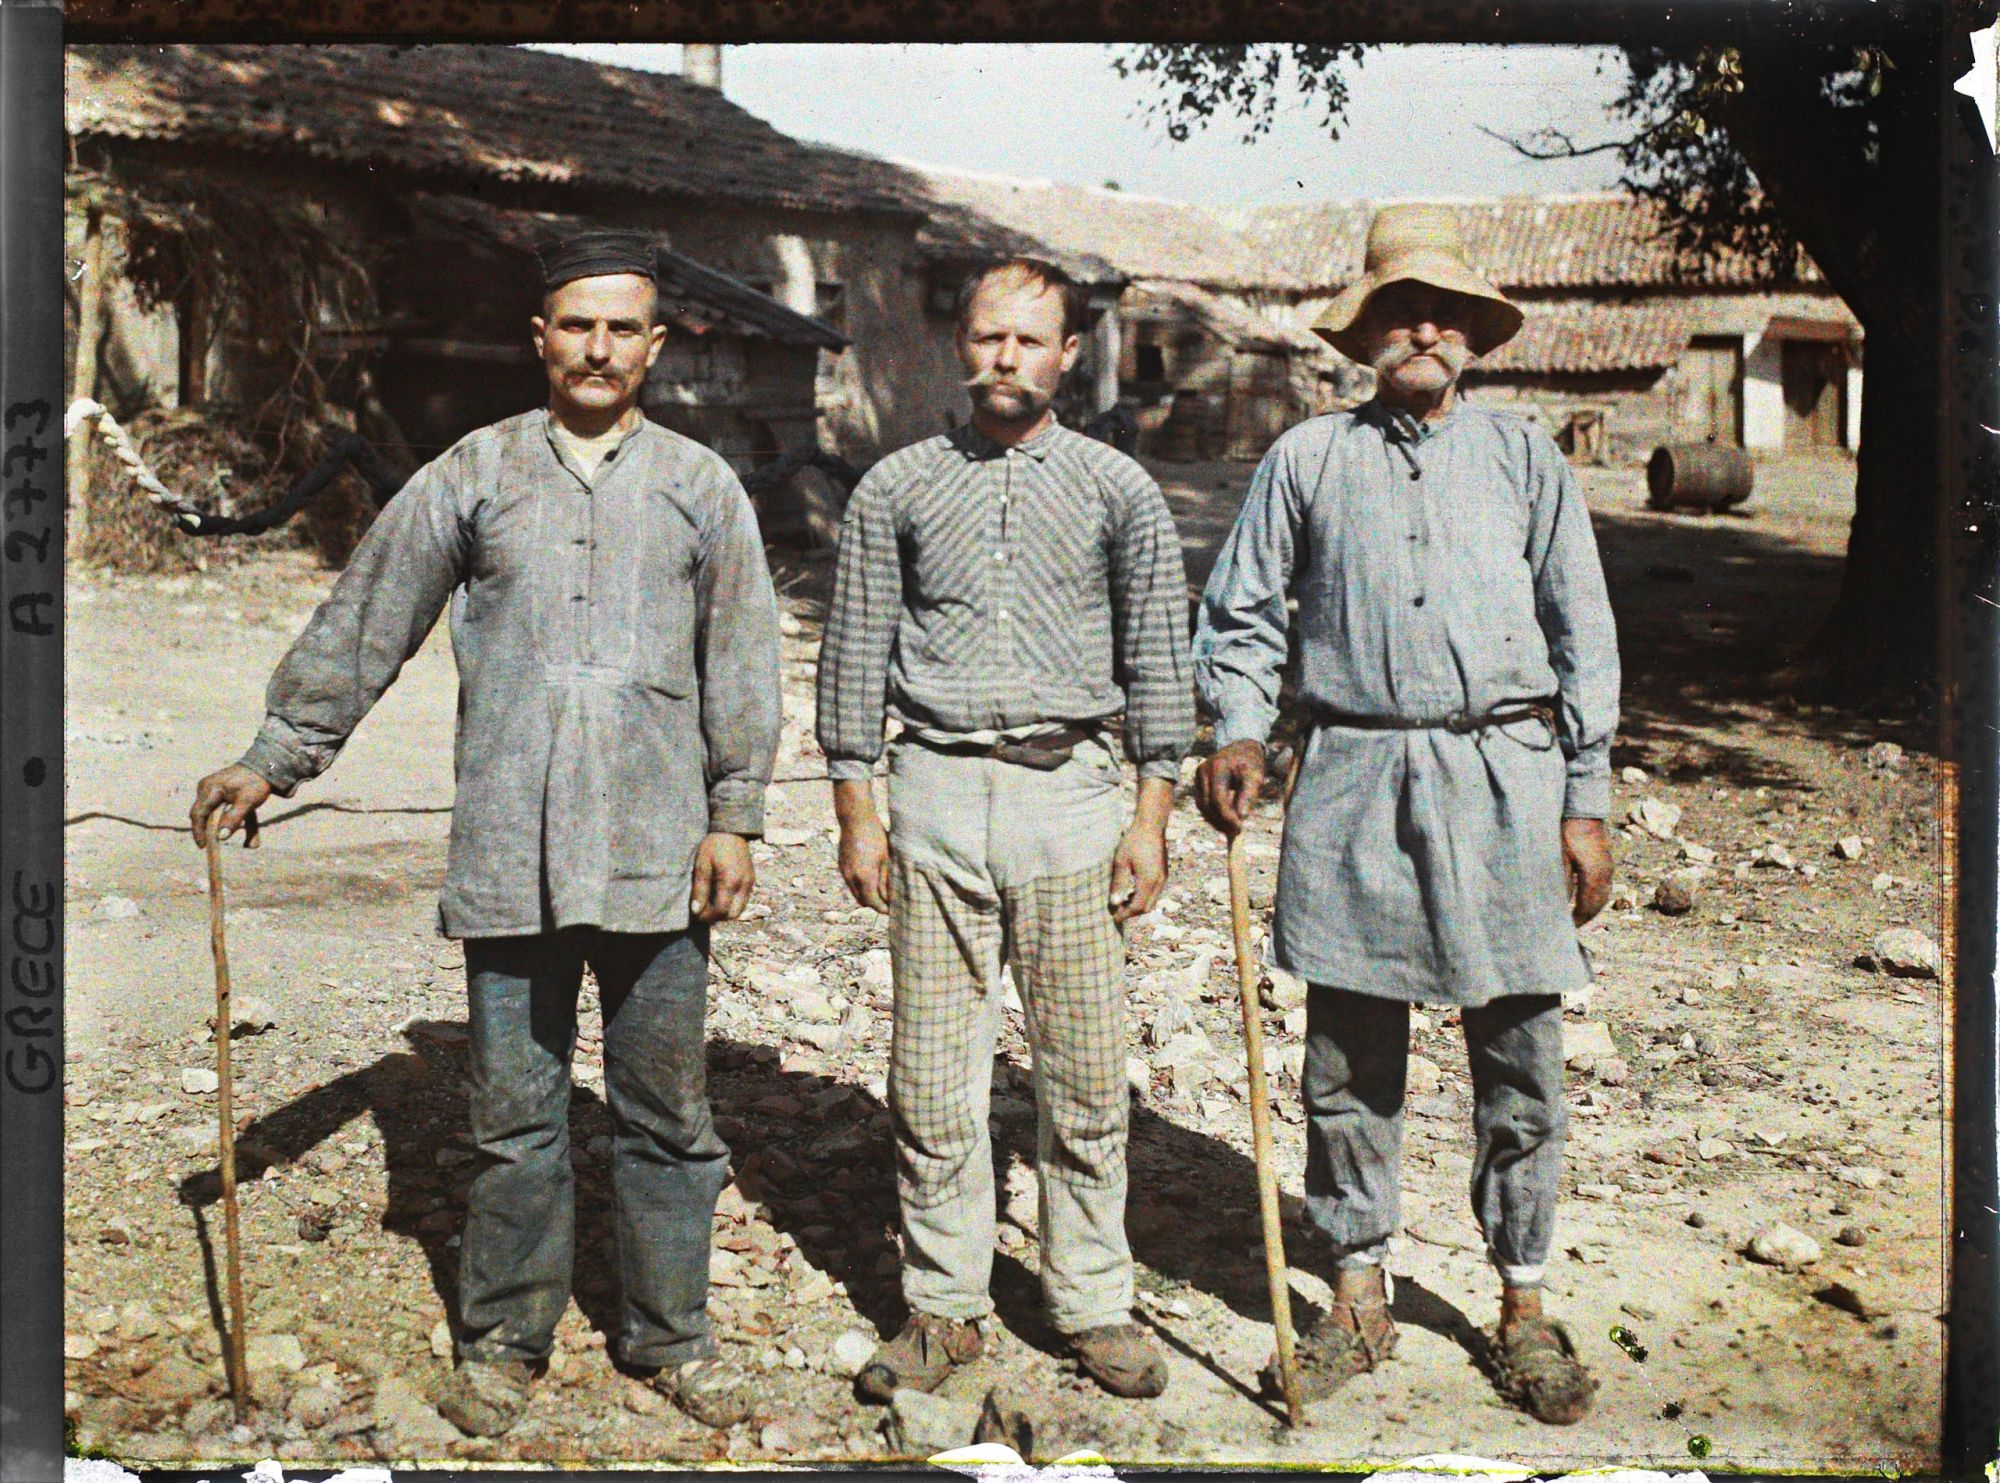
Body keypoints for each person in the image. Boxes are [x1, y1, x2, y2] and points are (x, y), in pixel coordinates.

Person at [188, 229, 783, 1436]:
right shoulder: (473, 473)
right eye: (576, 323)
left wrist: (736, 816)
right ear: (540, 336)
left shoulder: (699, 486)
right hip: (511, 847)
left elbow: (743, 661)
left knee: (666, 1114)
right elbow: (371, 617)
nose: (598, 347)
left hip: (659, 855)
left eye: (622, 328)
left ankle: (670, 1336)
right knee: (513, 1114)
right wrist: (272, 759)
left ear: (655, 346)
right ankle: (505, 1339)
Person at [1191, 204, 1619, 1426]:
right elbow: (1241, 617)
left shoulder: (1525, 457)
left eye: (1441, 309)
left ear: (1473, 332)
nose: (1419, 327)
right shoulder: (1307, 459)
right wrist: (1234, 727)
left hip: (1506, 775)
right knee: (1346, 1054)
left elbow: (1583, 639)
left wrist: (1583, 799)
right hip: (1354, 776)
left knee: (1518, 1052)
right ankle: (1356, 1293)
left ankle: (1522, 1302)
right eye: (1397, 309)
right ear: (1366, 332)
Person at [816, 258, 1195, 1401]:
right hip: (931, 793)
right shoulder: (895, 489)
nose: (1005, 360)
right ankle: (944, 1307)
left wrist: (1149, 813)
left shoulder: (1117, 489)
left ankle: (1089, 1300)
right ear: (961, 345)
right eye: (987, 337)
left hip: (1070, 796)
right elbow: (853, 656)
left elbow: (1158, 665)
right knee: (931, 1078)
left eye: (1029, 342)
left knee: (1081, 1074)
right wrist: (856, 809)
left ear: (1067, 355)